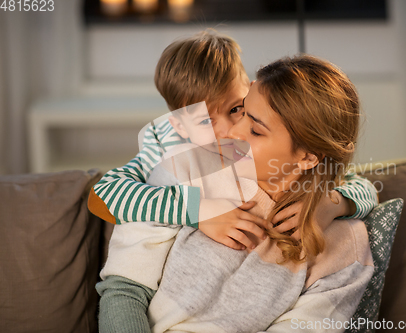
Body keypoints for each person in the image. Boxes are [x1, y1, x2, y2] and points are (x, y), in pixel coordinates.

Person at [90, 30, 378, 332]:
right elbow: (123, 280)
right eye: (206, 120)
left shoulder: (344, 239)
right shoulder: (178, 164)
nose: (231, 132)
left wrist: (335, 202)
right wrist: (197, 210)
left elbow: (357, 182)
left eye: (241, 113)